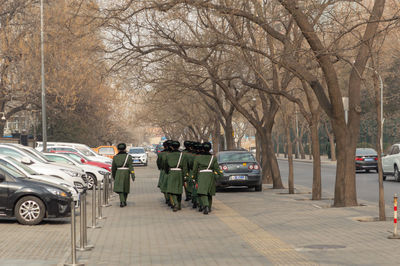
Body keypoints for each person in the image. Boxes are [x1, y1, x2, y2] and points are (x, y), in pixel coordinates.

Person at [192, 142, 222, 214]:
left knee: (202, 192)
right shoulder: (213, 158)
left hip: (202, 176)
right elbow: (217, 169)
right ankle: (209, 207)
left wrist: (194, 178)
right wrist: (218, 176)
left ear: (202, 148)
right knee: (209, 192)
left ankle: (206, 206)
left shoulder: (198, 157)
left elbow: (195, 169)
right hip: (211, 175)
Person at [164, 140, 187, 212]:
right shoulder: (182, 155)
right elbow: (185, 167)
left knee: (171, 190)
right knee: (179, 189)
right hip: (180, 173)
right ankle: (179, 204)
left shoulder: (168, 155)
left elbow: (165, 166)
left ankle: (175, 204)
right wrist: (185, 176)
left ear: (171, 147)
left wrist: (167, 172)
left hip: (172, 172)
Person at [112, 143, 135, 207]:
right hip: (126, 173)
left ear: (118, 149)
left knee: (120, 188)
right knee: (126, 187)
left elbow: (113, 168)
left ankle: (122, 201)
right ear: (125, 149)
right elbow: (131, 166)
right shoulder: (129, 157)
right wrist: (133, 174)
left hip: (118, 173)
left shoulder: (115, 157)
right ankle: (124, 200)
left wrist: (114, 176)